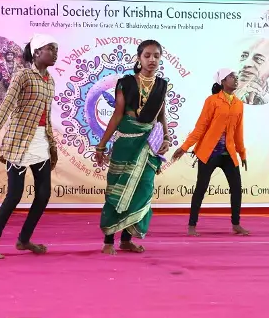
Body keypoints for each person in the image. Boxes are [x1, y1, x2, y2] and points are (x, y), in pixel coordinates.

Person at [0, 34, 59, 260]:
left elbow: (46, 115)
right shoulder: (22, 75)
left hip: (41, 141)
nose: (55, 53)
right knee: (14, 195)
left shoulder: (50, 80)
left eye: (55, 49)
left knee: (43, 195)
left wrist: (50, 141)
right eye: (50, 49)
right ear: (37, 52)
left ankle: (24, 239)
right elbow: (6, 105)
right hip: (19, 141)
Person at [94, 39, 170, 255]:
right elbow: (117, 114)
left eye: (156, 56)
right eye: (147, 55)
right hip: (126, 143)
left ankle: (126, 240)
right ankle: (109, 240)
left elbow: (161, 116)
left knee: (142, 189)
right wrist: (101, 146)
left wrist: (166, 137)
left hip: (148, 145)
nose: (152, 59)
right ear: (139, 58)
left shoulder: (162, 85)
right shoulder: (126, 83)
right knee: (117, 190)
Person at [172, 68, 249, 237]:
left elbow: (238, 132)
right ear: (223, 81)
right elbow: (200, 127)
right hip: (209, 153)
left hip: (228, 153)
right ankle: (192, 225)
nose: (235, 79)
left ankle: (236, 224)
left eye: (235, 76)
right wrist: (184, 147)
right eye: (231, 77)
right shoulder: (212, 101)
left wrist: (242, 153)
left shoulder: (239, 104)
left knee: (237, 188)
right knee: (201, 188)